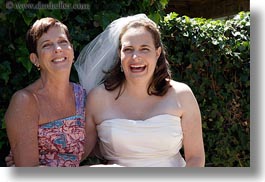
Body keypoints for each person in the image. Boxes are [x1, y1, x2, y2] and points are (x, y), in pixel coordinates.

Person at [74, 14, 205, 167]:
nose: (135, 56)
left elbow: (195, 158)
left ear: (157, 53)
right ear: (119, 54)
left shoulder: (182, 95)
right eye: (128, 49)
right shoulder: (98, 98)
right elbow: (79, 153)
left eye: (144, 49)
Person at [4, 17, 96, 167]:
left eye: (62, 42)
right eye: (47, 45)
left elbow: (88, 150)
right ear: (35, 59)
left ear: (72, 50)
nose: (58, 49)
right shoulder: (25, 101)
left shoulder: (82, 96)